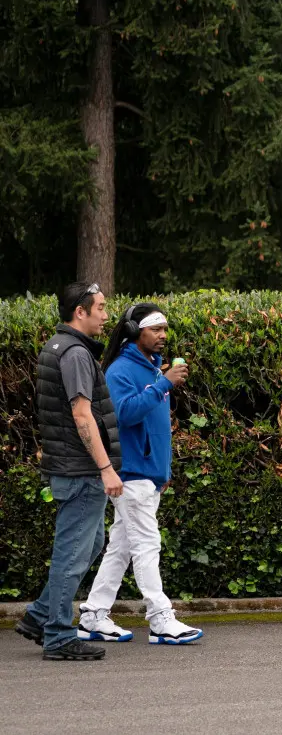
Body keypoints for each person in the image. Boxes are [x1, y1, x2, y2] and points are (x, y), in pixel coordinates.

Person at [75, 303, 202, 645]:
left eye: (165, 329)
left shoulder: (148, 370)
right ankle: (160, 618)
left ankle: (93, 616)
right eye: (155, 329)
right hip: (130, 473)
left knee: (121, 547)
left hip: (147, 474)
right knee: (147, 544)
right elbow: (124, 415)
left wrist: (163, 471)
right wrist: (162, 384)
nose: (163, 336)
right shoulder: (120, 371)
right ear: (135, 332)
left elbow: (155, 428)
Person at [15, 282, 123, 660]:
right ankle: (59, 636)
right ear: (81, 311)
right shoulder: (75, 354)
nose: (107, 316)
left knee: (89, 544)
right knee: (72, 554)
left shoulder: (56, 346)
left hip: (70, 468)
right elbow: (81, 415)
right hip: (81, 471)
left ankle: (39, 616)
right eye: (101, 308)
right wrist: (106, 468)